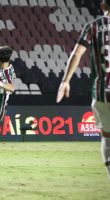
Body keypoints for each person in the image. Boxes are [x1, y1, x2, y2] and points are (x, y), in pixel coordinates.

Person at [56, 0, 110, 178]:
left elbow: (77, 53)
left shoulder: (92, 27)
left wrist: (65, 81)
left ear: (103, 6)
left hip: (102, 91)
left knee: (107, 136)